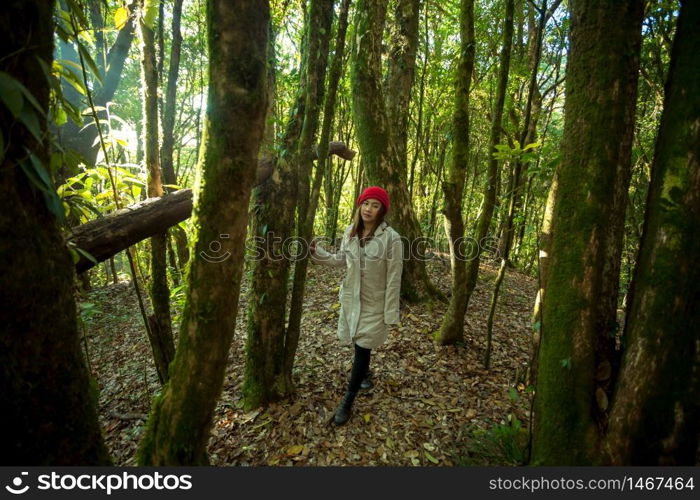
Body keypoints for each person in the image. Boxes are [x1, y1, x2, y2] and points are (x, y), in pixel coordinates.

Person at [310, 186, 403, 425]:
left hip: (375, 303)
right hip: (352, 299)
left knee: (362, 347)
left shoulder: (392, 239)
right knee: (358, 343)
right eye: (366, 203)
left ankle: (348, 400)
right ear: (359, 205)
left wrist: (390, 313)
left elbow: (394, 278)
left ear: (382, 211)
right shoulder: (350, 232)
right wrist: (316, 252)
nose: (369, 209)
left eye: (375, 205)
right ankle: (365, 375)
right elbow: (340, 260)